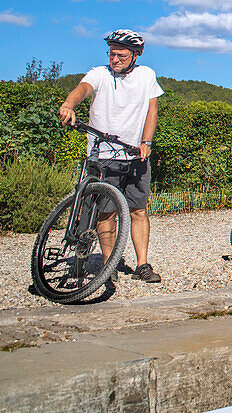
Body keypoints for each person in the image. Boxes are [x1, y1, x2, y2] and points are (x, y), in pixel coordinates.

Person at [58, 29, 165, 283]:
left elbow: (152, 111)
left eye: (121, 55)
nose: (114, 59)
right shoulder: (99, 73)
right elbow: (82, 89)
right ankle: (109, 266)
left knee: (138, 210)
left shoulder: (146, 75)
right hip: (104, 155)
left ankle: (142, 265)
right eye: (112, 54)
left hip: (136, 155)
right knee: (106, 213)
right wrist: (69, 104)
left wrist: (146, 142)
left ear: (136, 55)